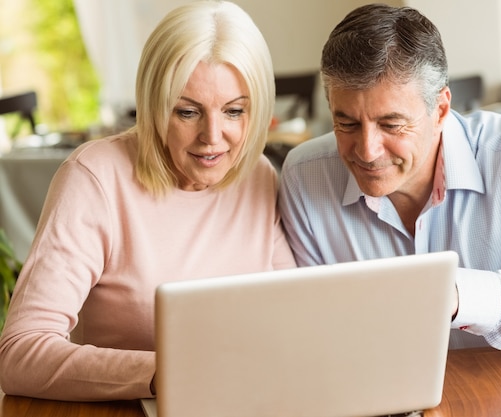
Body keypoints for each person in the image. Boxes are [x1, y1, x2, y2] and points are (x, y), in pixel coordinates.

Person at [279, 3, 501, 358]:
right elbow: (313, 333)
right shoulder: (306, 177)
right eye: (347, 123)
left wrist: (461, 295)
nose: (367, 151)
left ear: (441, 109)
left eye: (392, 124)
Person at [0, 0, 295, 401]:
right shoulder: (95, 178)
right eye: (188, 112)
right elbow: (19, 354)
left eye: (234, 111)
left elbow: (292, 319)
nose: (213, 136)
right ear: (155, 106)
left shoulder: (256, 173)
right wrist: (167, 373)